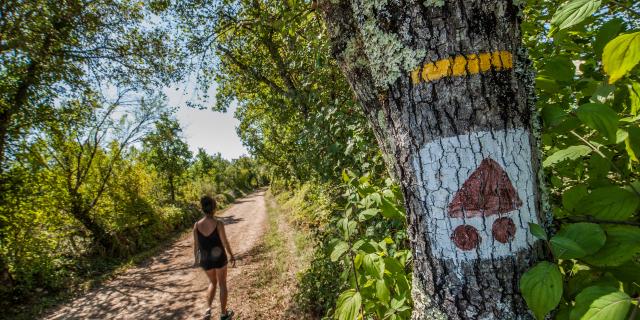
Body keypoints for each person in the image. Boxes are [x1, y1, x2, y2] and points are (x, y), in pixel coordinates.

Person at [193, 195, 236, 320]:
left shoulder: (196, 225)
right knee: (222, 284)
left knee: (212, 282)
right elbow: (225, 242)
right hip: (219, 258)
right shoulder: (218, 224)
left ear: (203, 209)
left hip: (205, 259)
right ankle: (223, 314)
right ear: (214, 208)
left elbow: (196, 245)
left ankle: (208, 310)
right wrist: (232, 255)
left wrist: (196, 260)